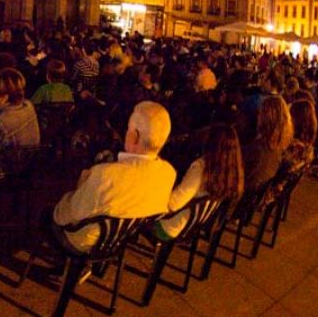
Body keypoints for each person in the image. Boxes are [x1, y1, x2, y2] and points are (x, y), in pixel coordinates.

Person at [52, 101, 176, 252]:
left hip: (85, 241)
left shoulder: (105, 174)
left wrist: (80, 185)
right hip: (120, 240)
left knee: (49, 212)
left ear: (134, 136)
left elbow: (66, 216)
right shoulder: (168, 174)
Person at [156, 123, 244, 239]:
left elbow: (173, 204)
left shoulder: (201, 169)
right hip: (195, 225)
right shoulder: (231, 172)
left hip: (170, 227)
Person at [243, 95, 293, 190]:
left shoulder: (255, 150)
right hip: (253, 200)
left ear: (265, 118)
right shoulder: (278, 150)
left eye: (260, 113)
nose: (258, 116)